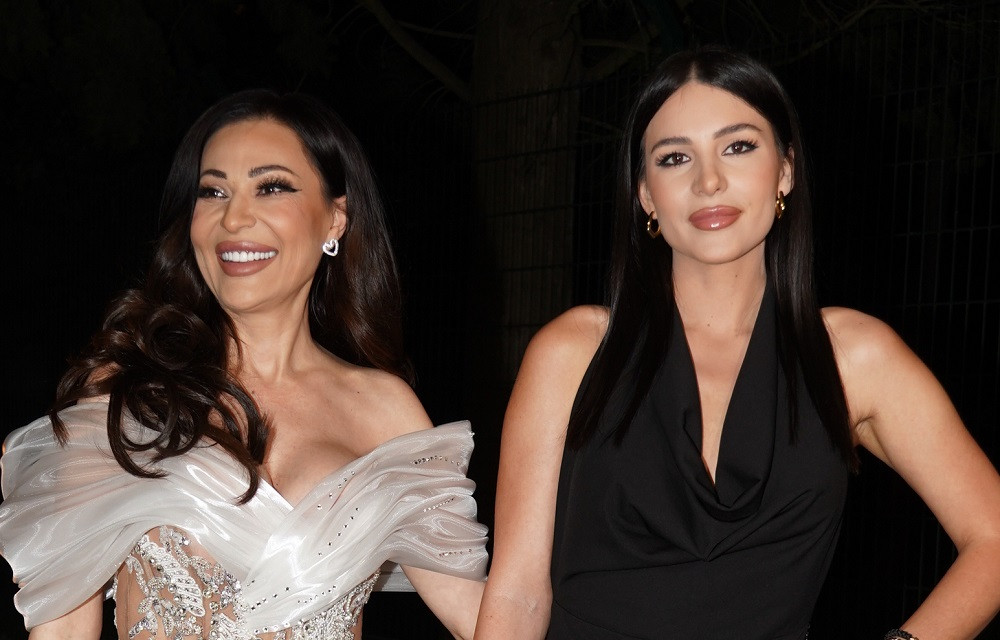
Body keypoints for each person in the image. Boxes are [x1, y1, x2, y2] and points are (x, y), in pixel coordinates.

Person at [473, 47, 1000, 640]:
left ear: (786, 171)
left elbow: (993, 536)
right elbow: (518, 594)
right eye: (675, 158)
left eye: (738, 147)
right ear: (646, 194)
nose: (709, 181)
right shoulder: (573, 353)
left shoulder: (853, 357)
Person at [0, 89, 488, 640]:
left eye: (271, 187)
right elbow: (63, 629)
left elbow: (485, 619)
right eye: (213, 192)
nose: (234, 218)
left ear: (335, 219)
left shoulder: (385, 410)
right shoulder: (127, 394)